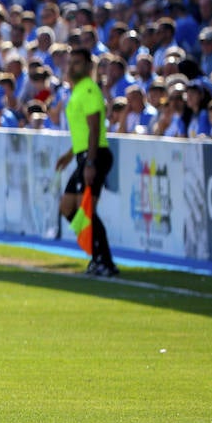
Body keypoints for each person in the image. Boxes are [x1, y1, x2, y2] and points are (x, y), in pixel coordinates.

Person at [54, 46, 118, 277]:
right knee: (67, 207)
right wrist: (70, 154)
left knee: (86, 209)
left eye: (77, 63)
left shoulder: (89, 89)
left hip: (95, 155)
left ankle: (105, 261)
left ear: (89, 66)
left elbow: (94, 128)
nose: (72, 67)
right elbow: (83, 132)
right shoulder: (77, 91)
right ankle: (97, 255)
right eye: (71, 62)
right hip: (85, 155)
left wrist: (90, 163)